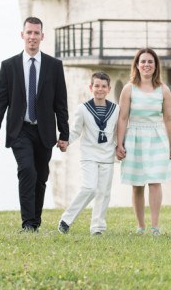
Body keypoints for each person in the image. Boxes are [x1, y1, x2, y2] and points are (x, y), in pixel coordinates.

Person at [0, 16, 70, 231]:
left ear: (42, 36)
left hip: (44, 131)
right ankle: (28, 224)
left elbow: (60, 103)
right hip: (20, 129)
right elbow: (0, 101)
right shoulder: (9, 66)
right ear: (22, 35)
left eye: (36, 33)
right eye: (29, 32)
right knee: (27, 171)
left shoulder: (54, 66)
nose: (32, 37)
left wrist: (64, 134)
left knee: (41, 177)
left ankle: (35, 221)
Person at [116, 48, 171, 236]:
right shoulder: (129, 88)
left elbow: (168, 118)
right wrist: (119, 143)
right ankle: (140, 226)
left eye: (150, 62)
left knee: (155, 181)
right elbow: (123, 117)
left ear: (156, 65)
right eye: (143, 61)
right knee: (137, 184)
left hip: (157, 139)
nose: (147, 65)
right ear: (137, 65)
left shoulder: (163, 90)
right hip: (135, 138)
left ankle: (155, 226)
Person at [58, 72, 120, 235]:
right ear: (91, 88)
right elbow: (76, 131)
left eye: (103, 86)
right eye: (97, 86)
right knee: (89, 187)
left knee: (104, 192)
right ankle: (66, 220)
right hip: (89, 156)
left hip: (107, 156)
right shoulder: (83, 109)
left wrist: (120, 147)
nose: (100, 89)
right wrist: (66, 141)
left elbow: (117, 132)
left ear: (109, 89)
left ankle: (97, 228)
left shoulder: (115, 109)